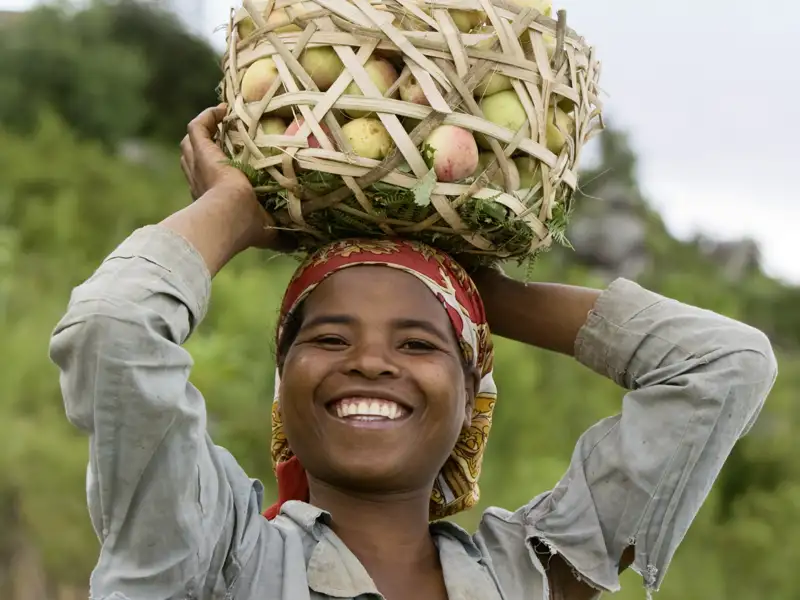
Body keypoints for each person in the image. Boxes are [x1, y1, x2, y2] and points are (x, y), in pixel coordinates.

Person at [50, 105, 778, 600]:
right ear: (284, 385)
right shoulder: (211, 554)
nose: (370, 361)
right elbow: (113, 331)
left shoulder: (526, 577)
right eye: (329, 337)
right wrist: (234, 211)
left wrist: (472, 288)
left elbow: (723, 365)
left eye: (418, 343)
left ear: (472, 397)